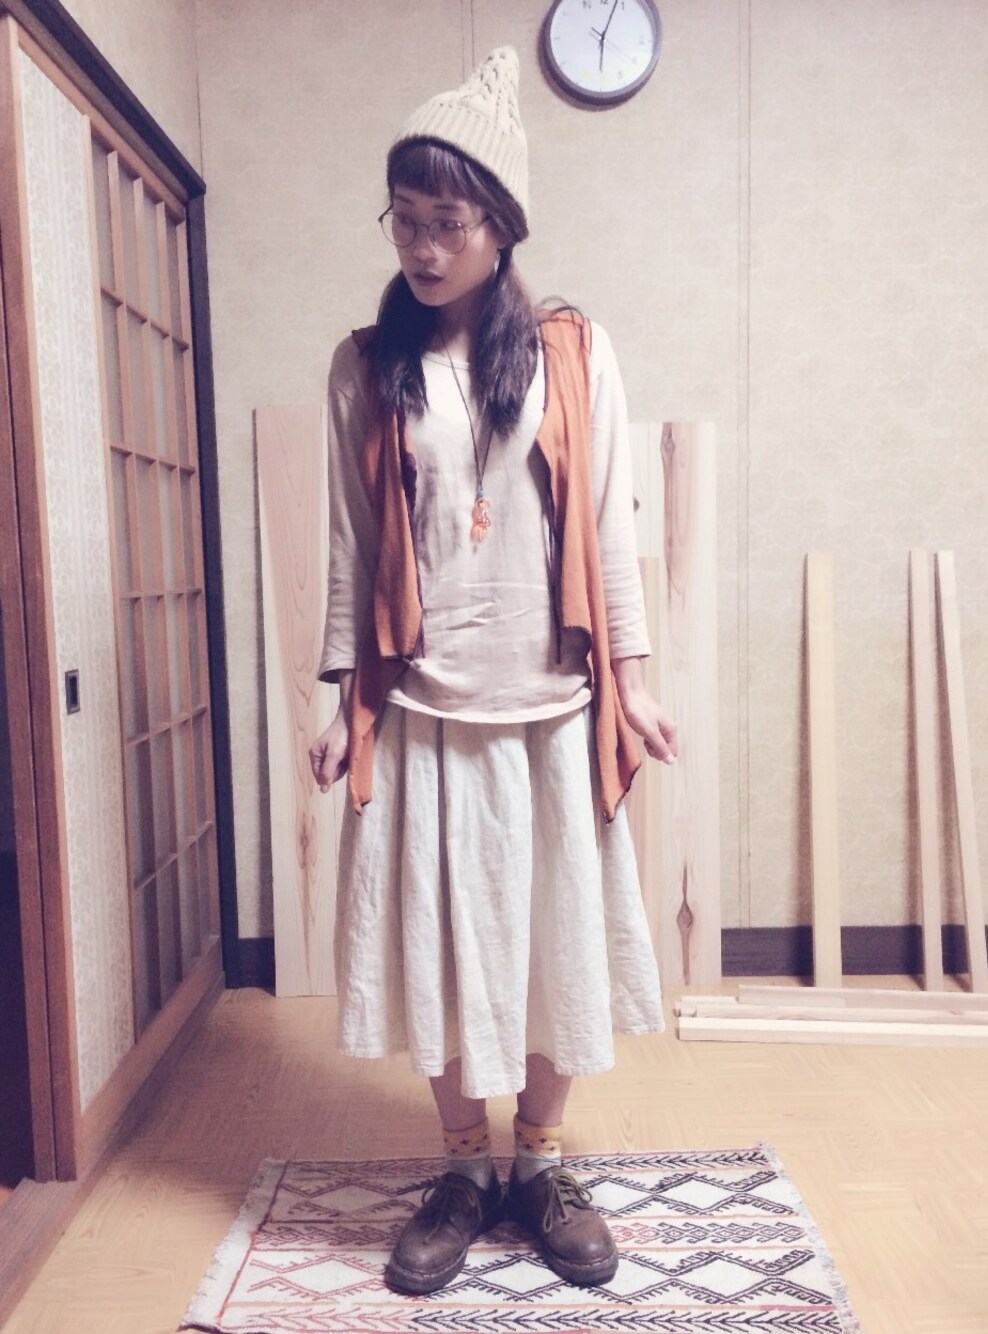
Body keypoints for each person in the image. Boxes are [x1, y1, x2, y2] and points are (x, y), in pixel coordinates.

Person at [309, 46, 677, 1297]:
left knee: (553, 938)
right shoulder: (365, 364)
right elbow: (349, 545)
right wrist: (336, 698)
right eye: (404, 220)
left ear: (502, 226)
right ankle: (463, 1165)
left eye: (447, 222)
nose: (421, 246)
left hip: (554, 705)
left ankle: (543, 1162)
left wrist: (634, 679)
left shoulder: (575, 353)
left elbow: (610, 527)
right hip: (422, 705)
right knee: (444, 938)